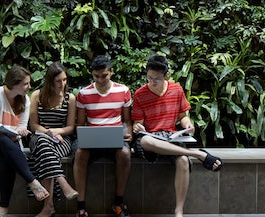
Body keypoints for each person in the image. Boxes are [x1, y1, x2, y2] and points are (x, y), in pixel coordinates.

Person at [131, 54, 223, 217]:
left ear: (166, 75)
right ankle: (197, 154)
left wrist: (187, 124)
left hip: (171, 136)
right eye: (149, 77)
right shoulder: (139, 94)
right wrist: (138, 126)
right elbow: (138, 123)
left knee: (182, 161)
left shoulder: (176, 90)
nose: (152, 82)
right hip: (151, 138)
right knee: (144, 140)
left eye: (156, 79)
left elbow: (183, 116)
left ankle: (179, 210)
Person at [0, 65, 50, 217]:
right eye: (26, 84)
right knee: (4, 140)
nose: (29, 87)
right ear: (14, 84)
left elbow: (21, 127)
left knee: (8, 156)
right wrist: (15, 132)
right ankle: (32, 182)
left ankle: (3, 210)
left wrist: (18, 133)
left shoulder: (25, 100)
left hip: (10, 143)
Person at [73, 55, 133, 217]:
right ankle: (81, 206)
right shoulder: (84, 94)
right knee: (80, 153)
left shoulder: (123, 91)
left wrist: (128, 134)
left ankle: (119, 202)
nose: (100, 79)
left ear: (111, 72)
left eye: (104, 75)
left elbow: (127, 121)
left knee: (125, 153)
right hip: (92, 140)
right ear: (92, 75)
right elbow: (79, 123)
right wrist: (82, 137)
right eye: (96, 76)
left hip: (115, 139)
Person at [28, 61, 79, 217]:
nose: (62, 84)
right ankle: (63, 183)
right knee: (43, 143)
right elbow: (34, 125)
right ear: (50, 80)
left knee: (45, 153)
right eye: (58, 81)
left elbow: (70, 127)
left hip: (62, 140)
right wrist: (49, 133)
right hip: (40, 137)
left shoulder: (70, 98)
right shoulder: (37, 95)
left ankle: (48, 207)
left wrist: (57, 132)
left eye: (64, 80)